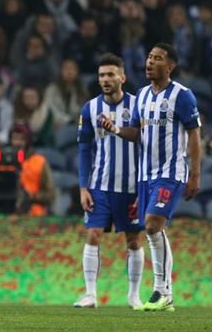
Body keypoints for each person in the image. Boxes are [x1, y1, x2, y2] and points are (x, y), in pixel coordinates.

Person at [100, 43, 201, 311]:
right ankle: (165, 294)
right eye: (149, 57)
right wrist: (116, 129)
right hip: (146, 175)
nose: (149, 62)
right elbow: (137, 133)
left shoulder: (182, 95)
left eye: (157, 59)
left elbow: (194, 135)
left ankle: (161, 290)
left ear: (170, 67)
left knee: (152, 224)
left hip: (171, 172)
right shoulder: (142, 96)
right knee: (152, 229)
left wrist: (195, 174)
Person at [73, 53, 144, 309]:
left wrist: (143, 189)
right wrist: (83, 187)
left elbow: (145, 145)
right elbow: (84, 150)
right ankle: (90, 294)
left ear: (122, 77)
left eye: (111, 74)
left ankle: (134, 296)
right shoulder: (90, 109)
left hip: (132, 187)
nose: (105, 79)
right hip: (100, 186)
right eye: (102, 75)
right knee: (92, 234)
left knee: (134, 240)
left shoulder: (138, 106)